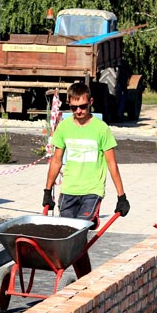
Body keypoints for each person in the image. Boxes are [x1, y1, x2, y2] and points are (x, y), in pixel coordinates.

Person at [42, 81, 130, 276]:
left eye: (83, 106)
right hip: (69, 190)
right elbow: (56, 160)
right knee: (67, 236)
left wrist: (121, 196)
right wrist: (47, 191)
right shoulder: (64, 127)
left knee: (78, 236)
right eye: (74, 107)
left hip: (92, 191)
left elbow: (112, 164)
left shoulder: (101, 129)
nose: (79, 111)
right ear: (69, 104)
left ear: (91, 102)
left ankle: (83, 278)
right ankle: (83, 278)